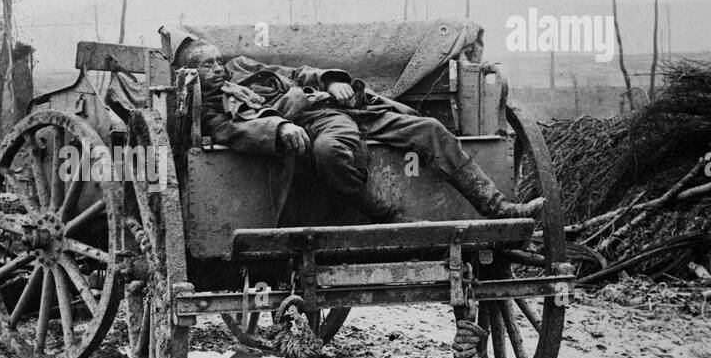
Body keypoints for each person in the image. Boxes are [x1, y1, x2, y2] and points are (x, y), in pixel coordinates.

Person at [175, 38, 544, 222]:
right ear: (191, 75)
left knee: (430, 129)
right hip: (317, 123)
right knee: (329, 153)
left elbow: (297, 74)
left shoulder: (243, 67)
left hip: (349, 107)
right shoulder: (208, 111)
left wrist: (332, 80)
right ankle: (382, 214)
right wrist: (281, 126)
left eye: (217, 61)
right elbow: (236, 134)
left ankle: (499, 209)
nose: (219, 69)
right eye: (207, 66)